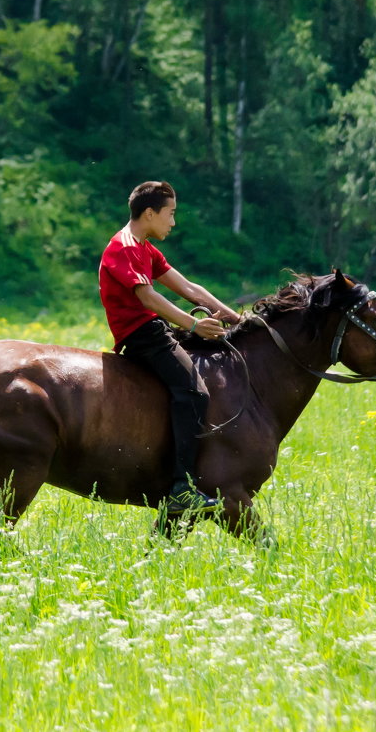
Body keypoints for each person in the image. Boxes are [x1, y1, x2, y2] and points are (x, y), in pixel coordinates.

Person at [98, 181, 241, 513]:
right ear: (150, 213)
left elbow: (189, 287)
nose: (173, 222)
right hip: (142, 335)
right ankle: (182, 488)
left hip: (154, 329)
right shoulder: (123, 247)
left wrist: (237, 318)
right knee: (195, 392)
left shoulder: (145, 248)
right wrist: (193, 325)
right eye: (170, 213)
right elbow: (147, 297)